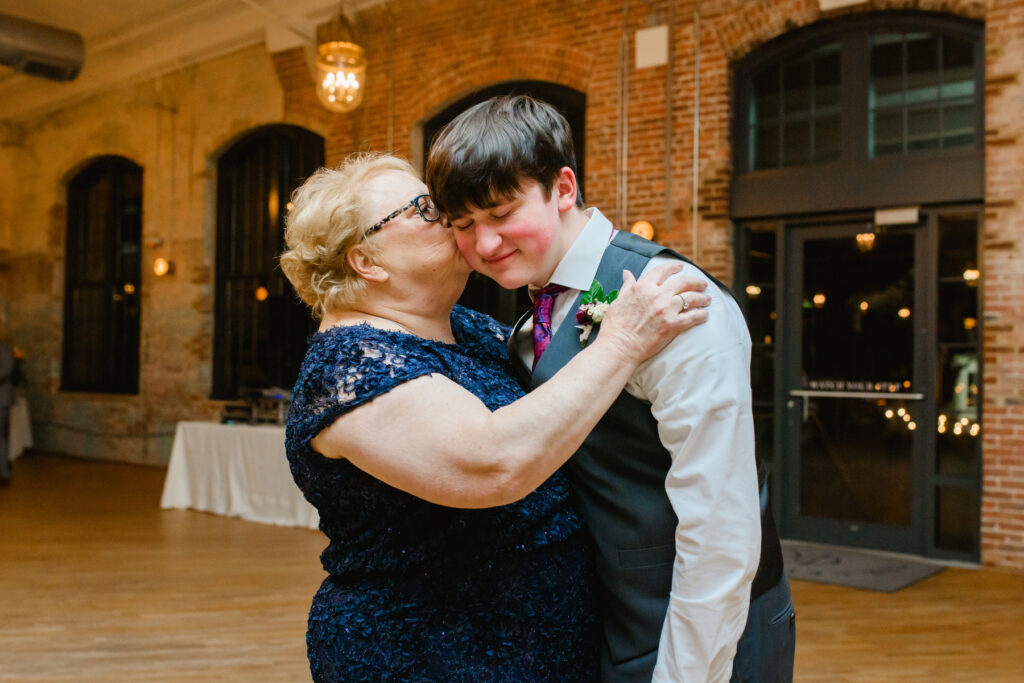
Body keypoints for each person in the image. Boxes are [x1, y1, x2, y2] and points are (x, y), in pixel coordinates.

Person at [279, 153, 712, 682]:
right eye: (426, 207)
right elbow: (494, 464)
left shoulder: (464, 327)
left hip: (541, 647)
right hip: (430, 653)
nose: (452, 212)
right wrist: (623, 338)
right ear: (366, 261)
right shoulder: (350, 364)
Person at [426, 95, 795, 683]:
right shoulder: (530, 317)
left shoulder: (672, 297)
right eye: (465, 225)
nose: (485, 245)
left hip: (697, 630)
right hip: (605, 617)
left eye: (501, 213)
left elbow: (721, 530)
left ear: (564, 187)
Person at [0, 338, 13, 487]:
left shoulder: (4, 347)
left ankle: (3, 473)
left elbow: (6, 369)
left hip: (1, 399)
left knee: (0, 437)